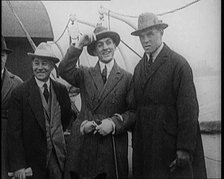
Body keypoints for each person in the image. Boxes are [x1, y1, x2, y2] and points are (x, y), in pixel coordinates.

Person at [130, 12, 207, 179]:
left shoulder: (179, 65)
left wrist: (184, 149)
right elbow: (135, 108)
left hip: (171, 148)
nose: (145, 40)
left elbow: (189, 110)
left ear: (161, 32)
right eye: (141, 36)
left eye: (150, 34)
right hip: (146, 148)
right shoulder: (138, 69)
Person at [58, 25, 135, 179]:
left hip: (111, 148)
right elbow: (63, 70)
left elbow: (133, 113)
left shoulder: (127, 78)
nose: (105, 47)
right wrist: (79, 44)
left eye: (108, 42)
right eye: (100, 45)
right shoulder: (85, 73)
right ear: (94, 50)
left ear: (114, 45)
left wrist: (113, 124)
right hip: (84, 146)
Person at [7, 42, 73, 179]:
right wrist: (18, 165)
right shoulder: (20, 93)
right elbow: (14, 133)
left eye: (45, 63)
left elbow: (65, 119)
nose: (40, 68)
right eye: (36, 63)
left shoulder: (61, 90)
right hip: (32, 163)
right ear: (32, 65)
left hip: (58, 160)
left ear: (52, 66)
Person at [1, 36, 23, 179]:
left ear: (6, 57)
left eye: (1, 55)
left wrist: (19, 163)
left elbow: (23, 125)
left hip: (7, 142)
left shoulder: (17, 83)